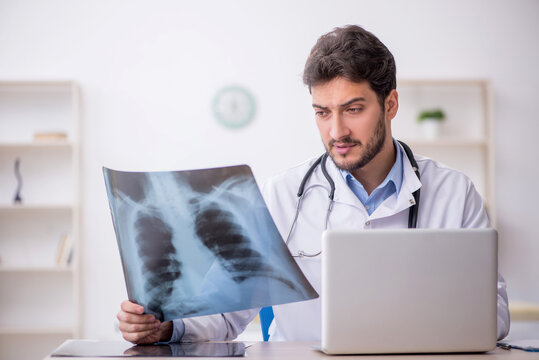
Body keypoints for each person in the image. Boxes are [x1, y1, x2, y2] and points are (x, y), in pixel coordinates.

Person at [117, 24, 510, 344]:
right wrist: (167, 327)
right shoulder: (279, 196)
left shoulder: (454, 193)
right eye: (322, 112)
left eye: (353, 109)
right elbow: (223, 314)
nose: (336, 130)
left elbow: (493, 314)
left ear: (390, 104)